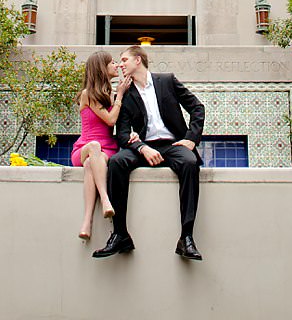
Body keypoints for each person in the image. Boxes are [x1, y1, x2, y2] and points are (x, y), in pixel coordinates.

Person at [93, 44, 206, 262]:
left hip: (173, 145)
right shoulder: (125, 92)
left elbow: (197, 108)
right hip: (143, 147)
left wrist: (191, 140)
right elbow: (122, 134)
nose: (120, 65)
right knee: (116, 162)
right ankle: (120, 234)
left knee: (190, 163)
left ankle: (187, 237)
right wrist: (142, 147)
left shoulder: (167, 81)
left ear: (138, 60)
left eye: (124, 60)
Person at [72, 51, 131, 241]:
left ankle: (86, 222)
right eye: (112, 63)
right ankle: (105, 199)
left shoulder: (110, 95)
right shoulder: (87, 94)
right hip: (84, 147)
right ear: (101, 68)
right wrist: (120, 95)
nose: (116, 65)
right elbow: (111, 120)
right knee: (94, 147)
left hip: (106, 151)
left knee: (92, 164)